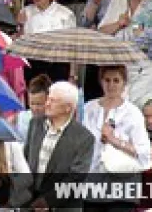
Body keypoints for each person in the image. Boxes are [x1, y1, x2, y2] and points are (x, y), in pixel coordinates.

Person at [80, 66, 152, 209]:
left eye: (116, 80)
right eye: (107, 80)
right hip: (91, 187)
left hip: (122, 189)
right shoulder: (88, 108)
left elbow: (144, 153)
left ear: (124, 83)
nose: (111, 85)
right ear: (101, 81)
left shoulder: (133, 113)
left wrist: (113, 140)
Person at [25, 81, 94, 212]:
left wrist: (47, 201)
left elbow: (76, 177)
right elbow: (26, 159)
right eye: (48, 99)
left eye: (53, 101)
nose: (47, 104)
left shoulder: (85, 138)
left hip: (63, 206)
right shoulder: (35, 124)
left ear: (68, 108)